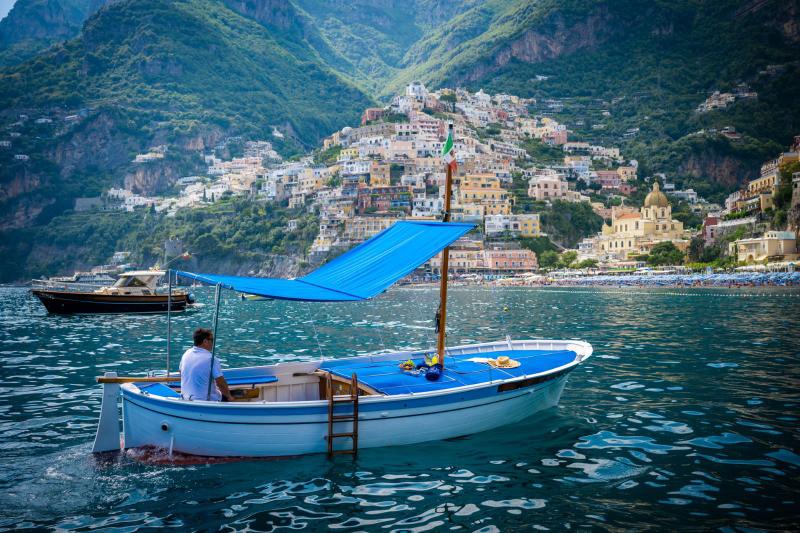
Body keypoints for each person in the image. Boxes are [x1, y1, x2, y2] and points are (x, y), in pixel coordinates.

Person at [179, 328, 233, 401]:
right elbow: (220, 383)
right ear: (205, 341)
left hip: (185, 398)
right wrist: (229, 397)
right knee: (228, 395)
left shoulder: (186, 353)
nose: (213, 343)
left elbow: (180, 372)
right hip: (204, 401)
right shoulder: (211, 359)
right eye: (212, 340)